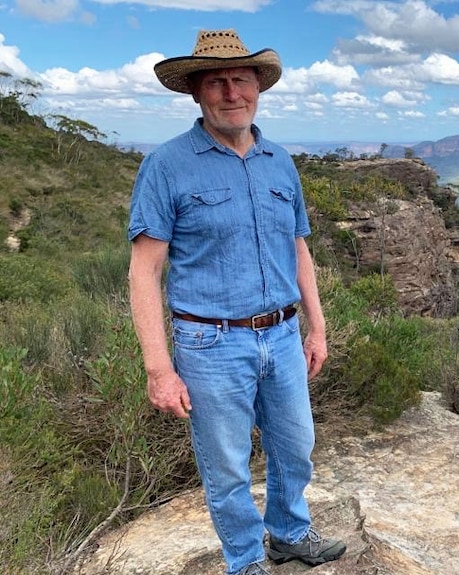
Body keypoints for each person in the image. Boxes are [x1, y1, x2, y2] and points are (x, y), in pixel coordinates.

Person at [127, 29, 346, 575]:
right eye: (216, 82)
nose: (230, 92)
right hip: (210, 341)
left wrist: (316, 329)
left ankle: (290, 535)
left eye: (240, 80)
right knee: (227, 467)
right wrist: (159, 368)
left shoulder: (279, 161)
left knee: (296, 447)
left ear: (257, 87)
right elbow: (144, 269)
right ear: (197, 93)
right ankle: (245, 561)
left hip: (282, 334)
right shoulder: (167, 165)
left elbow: (298, 251)